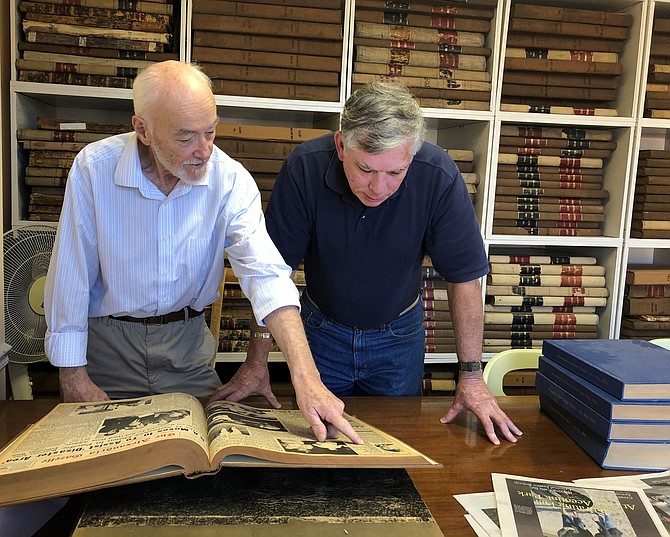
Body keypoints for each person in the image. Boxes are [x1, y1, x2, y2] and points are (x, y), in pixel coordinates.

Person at [43, 60, 361, 445]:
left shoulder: (229, 179)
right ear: (143, 129)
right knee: (102, 469)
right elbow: (71, 274)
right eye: (186, 138)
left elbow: (267, 276)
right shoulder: (94, 169)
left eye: (211, 132)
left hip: (187, 347)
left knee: (206, 464)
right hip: (107, 349)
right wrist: (73, 376)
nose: (204, 150)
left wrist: (306, 378)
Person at [214, 80, 521, 445]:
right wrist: (256, 361)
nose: (378, 188)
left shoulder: (437, 173)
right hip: (320, 332)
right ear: (342, 145)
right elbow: (269, 273)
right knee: (318, 442)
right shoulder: (305, 167)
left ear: (412, 155)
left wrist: (471, 376)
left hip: (398, 338)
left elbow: (464, 277)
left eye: (395, 173)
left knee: (394, 441)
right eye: (366, 169)